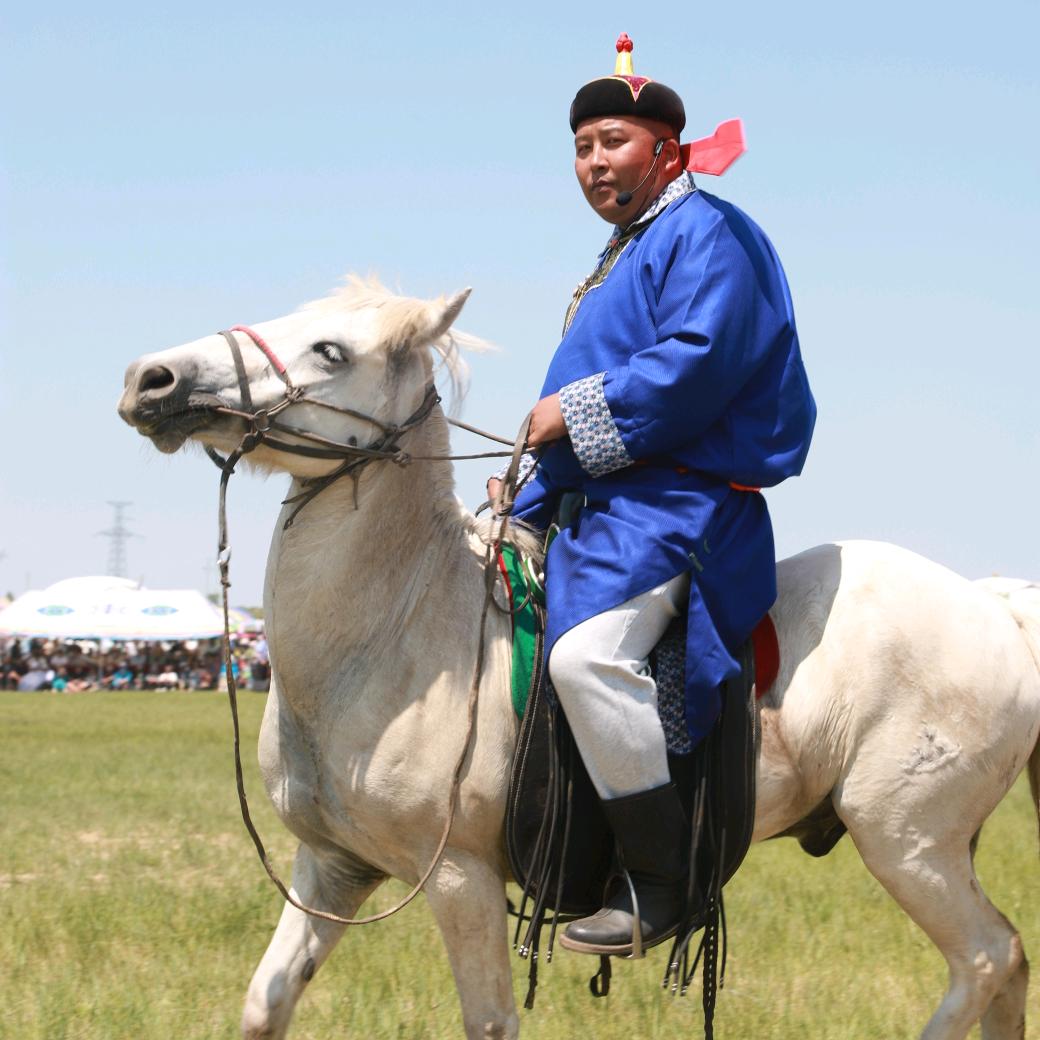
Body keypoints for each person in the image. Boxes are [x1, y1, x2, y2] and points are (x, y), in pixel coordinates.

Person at [490, 35, 816, 956]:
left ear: (667, 149)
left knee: (585, 662)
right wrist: (528, 486)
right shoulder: (621, 253)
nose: (595, 162)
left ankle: (665, 883)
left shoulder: (707, 230)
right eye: (583, 147)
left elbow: (696, 365)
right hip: (609, 514)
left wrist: (571, 410)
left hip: (679, 515)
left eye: (614, 141)